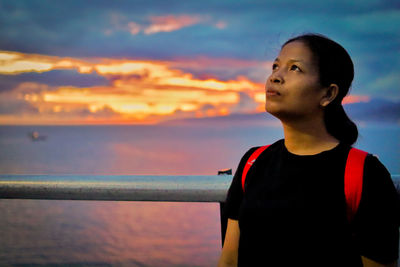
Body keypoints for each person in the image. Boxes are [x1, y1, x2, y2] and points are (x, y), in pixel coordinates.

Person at [218, 33, 400, 267]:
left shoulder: (364, 174)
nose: (275, 77)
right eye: (276, 66)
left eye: (294, 68)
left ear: (328, 94)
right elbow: (230, 259)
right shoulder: (254, 161)